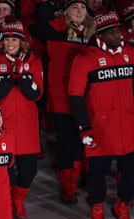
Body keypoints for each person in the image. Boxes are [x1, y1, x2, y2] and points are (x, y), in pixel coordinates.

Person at [69, 11, 134, 219]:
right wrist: (84, 127)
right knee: (97, 173)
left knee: (131, 172)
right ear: (102, 35)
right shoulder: (85, 59)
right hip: (100, 128)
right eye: (114, 32)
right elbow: (75, 97)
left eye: (119, 30)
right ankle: (97, 209)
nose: (120, 35)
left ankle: (122, 205)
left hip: (129, 125)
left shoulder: (131, 54)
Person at [35, 0, 95, 204]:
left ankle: (84, 178)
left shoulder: (93, 33)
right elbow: (40, 26)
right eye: (75, 8)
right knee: (67, 145)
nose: (79, 11)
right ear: (66, 12)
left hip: (87, 99)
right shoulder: (56, 28)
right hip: (61, 99)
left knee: (84, 143)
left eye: (83, 8)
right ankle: (68, 187)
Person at [0, 19, 44, 219]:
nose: (10, 43)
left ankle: (18, 199)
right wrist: (10, 79)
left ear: (22, 42)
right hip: (3, 126)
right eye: (7, 39)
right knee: (4, 172)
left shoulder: (34, 62)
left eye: (15, 40)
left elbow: (36, 94)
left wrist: (24, 80)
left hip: (27, 127)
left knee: (29, 170)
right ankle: (6, 203)